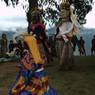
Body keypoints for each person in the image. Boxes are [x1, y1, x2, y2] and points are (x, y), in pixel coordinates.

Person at [55, 0, 80, 70]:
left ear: (68, 12)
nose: (61, 13)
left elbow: (69, 31)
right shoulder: (60, 22)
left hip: (66, 40)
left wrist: (64, 35)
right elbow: (58, 31)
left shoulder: (69, 23)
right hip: (60, 40)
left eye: (63, 12)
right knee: (60, 53)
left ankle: (66, 65)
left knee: (66, 53)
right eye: (61, 12)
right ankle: (63, 65)